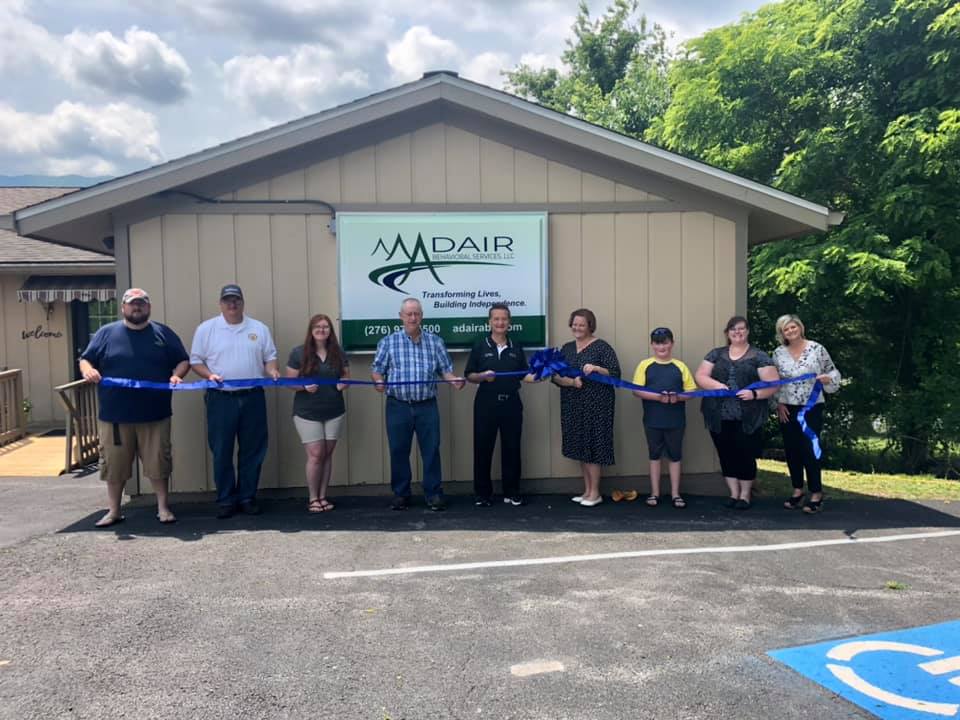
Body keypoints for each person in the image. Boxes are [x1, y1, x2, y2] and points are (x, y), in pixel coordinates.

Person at [78, 288, 190, 527]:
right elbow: (86, 358)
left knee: (158, 463)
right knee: (114, 466)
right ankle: (114, 511)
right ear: (123, 308)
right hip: (115, 416)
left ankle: (163, 507)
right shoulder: (106, 333)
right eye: (131, 304)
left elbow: (183, 359)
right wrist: (87, 369)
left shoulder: (163, 333)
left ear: (148, 307)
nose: (136, 307)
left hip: (155, 414)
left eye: (141, 304)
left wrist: (177, 376)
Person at [190, 284, 279, 518]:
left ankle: (247, 497)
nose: (232, 304)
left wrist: (273, 372)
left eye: (236, 300)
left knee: (253, 450)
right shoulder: (207, 329)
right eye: (228, 300)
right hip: (221, 398)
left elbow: (270, 358)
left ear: (243, 302)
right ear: (221, 303)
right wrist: (209, 375)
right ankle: (226, 499)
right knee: (221, 450)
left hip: (253, 397)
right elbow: (195, 361)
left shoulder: (258, 328)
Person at [371, 298, 465, 511]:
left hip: (426, 405)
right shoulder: (388, 342)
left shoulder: (435, 342)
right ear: (401, 316)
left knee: (431, 450)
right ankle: (401, 494)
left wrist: (454, 381)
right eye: (409, 314)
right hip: (398, 405)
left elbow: (446, 370)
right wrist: (378, 381)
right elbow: (377, 369)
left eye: (417, 314)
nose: (413, 318)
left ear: (421, 316)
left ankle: (433, 494)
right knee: (398, 450)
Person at [695, 315, 780, 509]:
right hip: (718, 414)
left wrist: (755, 393)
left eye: (741, 329)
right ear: (727, 333)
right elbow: (701, 375)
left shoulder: (759, 356)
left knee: (745, 454)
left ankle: (745, 495)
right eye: (733, 329)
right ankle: (733, 494)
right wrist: (717, 386)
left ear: (747, 331)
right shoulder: (716, 354)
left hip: (748, 415)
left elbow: (773, 384)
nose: (737, 332)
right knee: (726, 454)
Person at [464, 303, 537, 507]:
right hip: (485, 405)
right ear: (490, 322)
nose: (500, 323)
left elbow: (524, 375)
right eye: (496, 319)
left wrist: (541, 376)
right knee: (482, 448)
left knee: (512, 448)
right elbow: (469, 375)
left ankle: (512, 492)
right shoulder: (480, 346)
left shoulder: (516, 347)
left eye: (504, 319)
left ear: (509, 322)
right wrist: (482, 376)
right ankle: (482, 494)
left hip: (511, 404)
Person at [772, 314, 841, 514]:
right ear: (782, 333)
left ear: (800, 327)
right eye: (786, 329)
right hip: (788, 408)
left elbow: (833, 371)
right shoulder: (778, 353)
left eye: (793, 327)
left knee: (809, 449)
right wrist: (777, 403)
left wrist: (828, 379)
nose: (791, 331)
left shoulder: (817, 349)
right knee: (792, 450)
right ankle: (797, 490)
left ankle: (816, 493)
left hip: (811, 407)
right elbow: (773, 381)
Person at [551, 308, 620, 507]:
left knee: (593, 447)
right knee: (581, 447)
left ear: (590, 325)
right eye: (574, 324)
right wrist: (571, 383)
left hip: (597, 405)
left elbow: (615, 373)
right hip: (573, 404)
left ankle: (595, 493)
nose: (577, 328)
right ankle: (587, 490)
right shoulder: (567, 348)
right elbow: (555, 376)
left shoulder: (601, 347)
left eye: (582, 324)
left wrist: (597, 368)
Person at [285, 314, 350, 513]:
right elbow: (289, 382)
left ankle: (323, 496)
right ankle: (313, 498)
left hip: (334, 410)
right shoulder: (299, 353)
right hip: (307, 412)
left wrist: (343, 384)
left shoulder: (337, 352)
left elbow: (346, 376)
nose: (322, 330)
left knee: (328, 454)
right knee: (316, 454)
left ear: (330, 331)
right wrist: (303, 386)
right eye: (318, 327)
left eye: (326, 327)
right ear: (311, 330)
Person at [631, 327, 698, 509]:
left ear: (672, 343)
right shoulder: (645, 365)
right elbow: (637, 390)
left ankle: (676, 494)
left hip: (676, 420)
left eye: (665, 342)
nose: (662, 346)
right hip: (652, 419)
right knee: (654, 455)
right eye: (658, 343)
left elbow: (691, 392)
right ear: (652, 345)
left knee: (675, 456)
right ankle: (655, 493)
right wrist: (659, 397)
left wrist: (677, 397)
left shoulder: (680, 366)